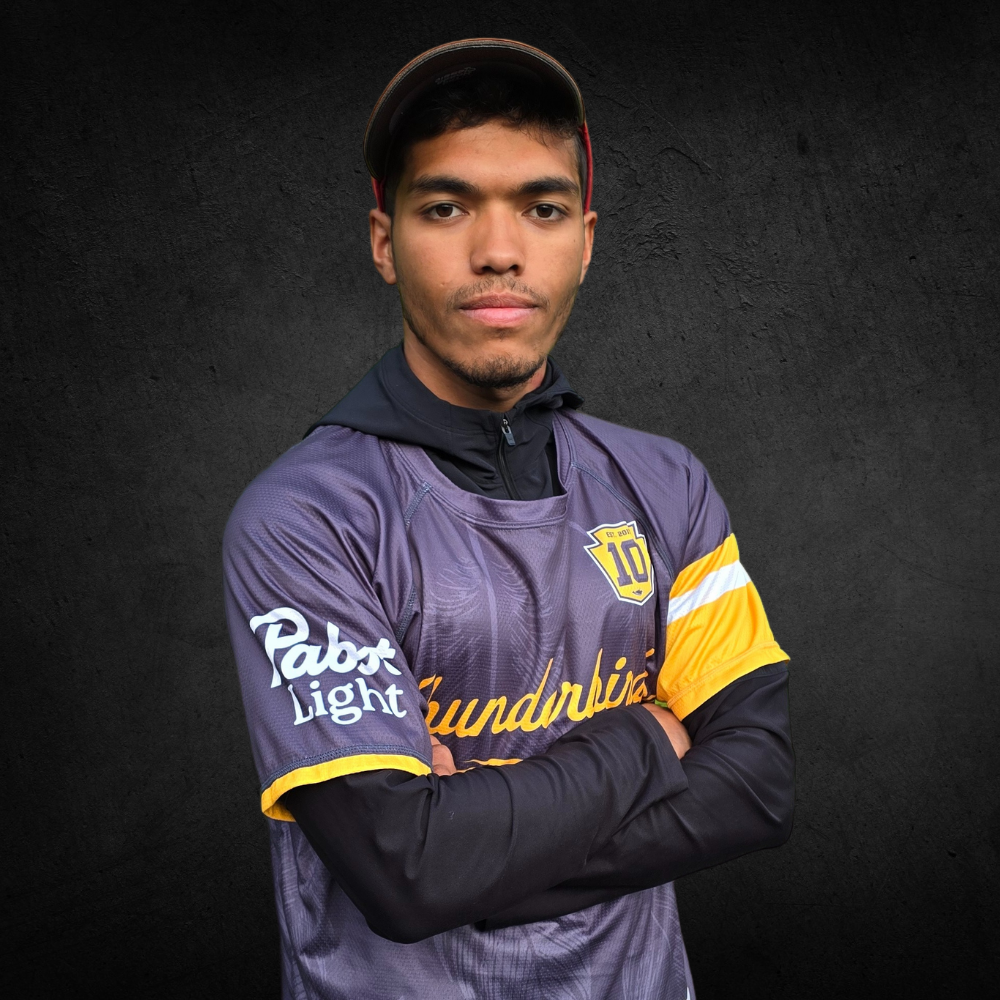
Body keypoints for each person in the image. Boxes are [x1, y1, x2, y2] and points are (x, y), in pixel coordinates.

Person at [223, 38, 794, 1000]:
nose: (498, 250)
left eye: (543, 208)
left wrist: (475, 856)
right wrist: (646, 739)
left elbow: (757, 785)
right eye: (446, 207)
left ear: (587, 239)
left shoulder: (668, 484)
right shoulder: (305, 519)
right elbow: (407, 872)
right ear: (383, 241)